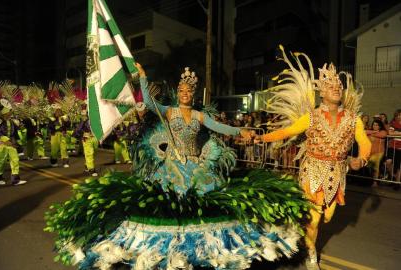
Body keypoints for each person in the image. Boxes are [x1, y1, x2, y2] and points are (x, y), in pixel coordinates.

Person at [45, 64, 311, 269]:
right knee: (167, 205)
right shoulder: (169, 112)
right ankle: (170, 250)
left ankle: (203, 249)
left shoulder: (198, 115)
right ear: (179, 94)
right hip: (171, 165)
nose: (184, 94)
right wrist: (143, 77)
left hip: (196, 165)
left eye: (188, 91)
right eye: (181, 91)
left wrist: (242, 132)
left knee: (204, 203)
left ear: (193, 95)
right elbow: (149, 103)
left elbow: (221, 127)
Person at [258, 46, 371, 270]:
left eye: (338, 86)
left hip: (338, 174)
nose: (336, 89)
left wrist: (362, 158)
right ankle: (311, 256)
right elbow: (286, 132)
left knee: (328, 217)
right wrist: (260, 138)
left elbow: (365, 142)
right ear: (322, 92)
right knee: (314, 220)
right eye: (330, 86)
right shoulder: (311, 117)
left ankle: (297, 230)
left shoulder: (353, 119)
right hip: (313, 171)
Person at [0, 104, 26, 186]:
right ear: (5, 112)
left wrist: (18, 141)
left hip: (11, 144)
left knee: (15, 160)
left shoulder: (12, 121)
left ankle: (15, 180)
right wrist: (5, 140)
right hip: (1, 143)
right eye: (9, 111)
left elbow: (15, 132)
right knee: (0, 161)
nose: (11, 112)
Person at [74, 109, 98, 177]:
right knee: (89, 153)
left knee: (94, 152)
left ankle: (87, 165)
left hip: (95, 137)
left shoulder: (96, 118)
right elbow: (78, 129)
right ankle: (91, 169)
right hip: (87, 138)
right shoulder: (84, 119)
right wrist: (83, 134)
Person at [366, 119, 388, 184]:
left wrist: (372, 134)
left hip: (379, 152)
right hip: (370, 152)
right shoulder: (371, 131)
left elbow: (383, 135)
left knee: (376, 166)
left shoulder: (383, 131)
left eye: (376, 125)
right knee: (369, 166)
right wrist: (373, 132)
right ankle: (374, 178)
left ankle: (375, 182)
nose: (374, 126)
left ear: (380, 126)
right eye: (374, 125)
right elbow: (364, 132)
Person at [385, 110, 401, 189]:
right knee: (388, 162)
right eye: (397, 115)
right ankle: (393, 176)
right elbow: (390, 133)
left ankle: (397, 183)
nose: (399, 117)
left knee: (399, 166)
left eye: (400, 115)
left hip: (400, 148)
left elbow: (393, 133)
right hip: (392, 146)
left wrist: (396, 133)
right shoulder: (393, 124)